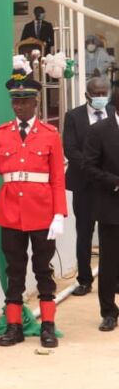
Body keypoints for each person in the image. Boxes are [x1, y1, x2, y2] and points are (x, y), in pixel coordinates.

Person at [0, 66, 66, 348]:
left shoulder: (50, 134)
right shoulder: (2, 133)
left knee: (43, 269)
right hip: (9, 212)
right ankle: (14, 326)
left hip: (42, 212)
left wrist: (59, 213)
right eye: (15, 102)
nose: (19, 106)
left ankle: (47, 325)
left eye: (25, 101)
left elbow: (57, 178)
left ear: (36, 103)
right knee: (15, 270)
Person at [63, 77, 115, 296]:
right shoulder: (73, 116)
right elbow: (70, 149)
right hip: (84, 184)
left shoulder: (114, 113)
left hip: (110, 187)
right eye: (97, 94)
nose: (101, 97)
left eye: (105, 93)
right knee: (84, 233)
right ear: (87, 95)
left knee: (112, 235)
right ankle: (84, 279)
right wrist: (92, 169)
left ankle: (114, 278)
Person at [83, 85, 119, 332]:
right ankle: (108, 312)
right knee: (109, 263)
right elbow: (88, 166)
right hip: (111, 207)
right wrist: (115, 182)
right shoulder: (99, 131)